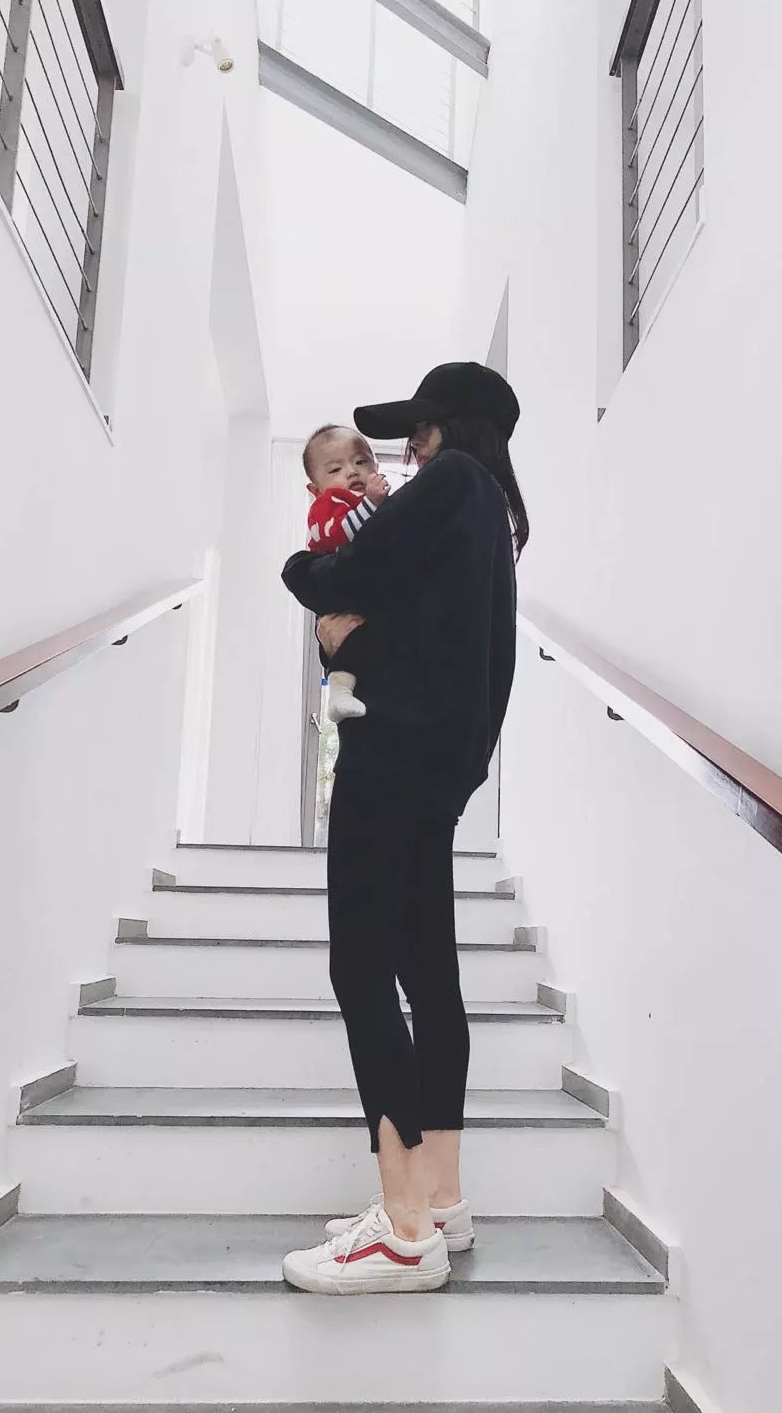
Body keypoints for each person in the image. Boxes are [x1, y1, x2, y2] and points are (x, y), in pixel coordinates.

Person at [278, 362, 528, 1294]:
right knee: (428, 973)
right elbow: (431, 631)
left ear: (454, 424)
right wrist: (354, 631)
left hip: (392, 756)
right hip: (440, 765)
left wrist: (302, 574)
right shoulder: (486, 514)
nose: (406, 444)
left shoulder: (451, 482)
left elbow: (346, 575)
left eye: (418, 424)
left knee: (360, 967)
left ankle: (403, 1231)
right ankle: (438, 1197)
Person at [301, 424, 391, 723]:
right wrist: (372, 503)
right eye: (335, 469)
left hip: (370, 598)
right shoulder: (327, 505)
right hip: (340, 599)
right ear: (316, 489)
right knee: (348, 637)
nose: (352, 472)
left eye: (361, 462)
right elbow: (337, 535)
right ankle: (339, 693)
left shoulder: (381, 506)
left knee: (367, 638)